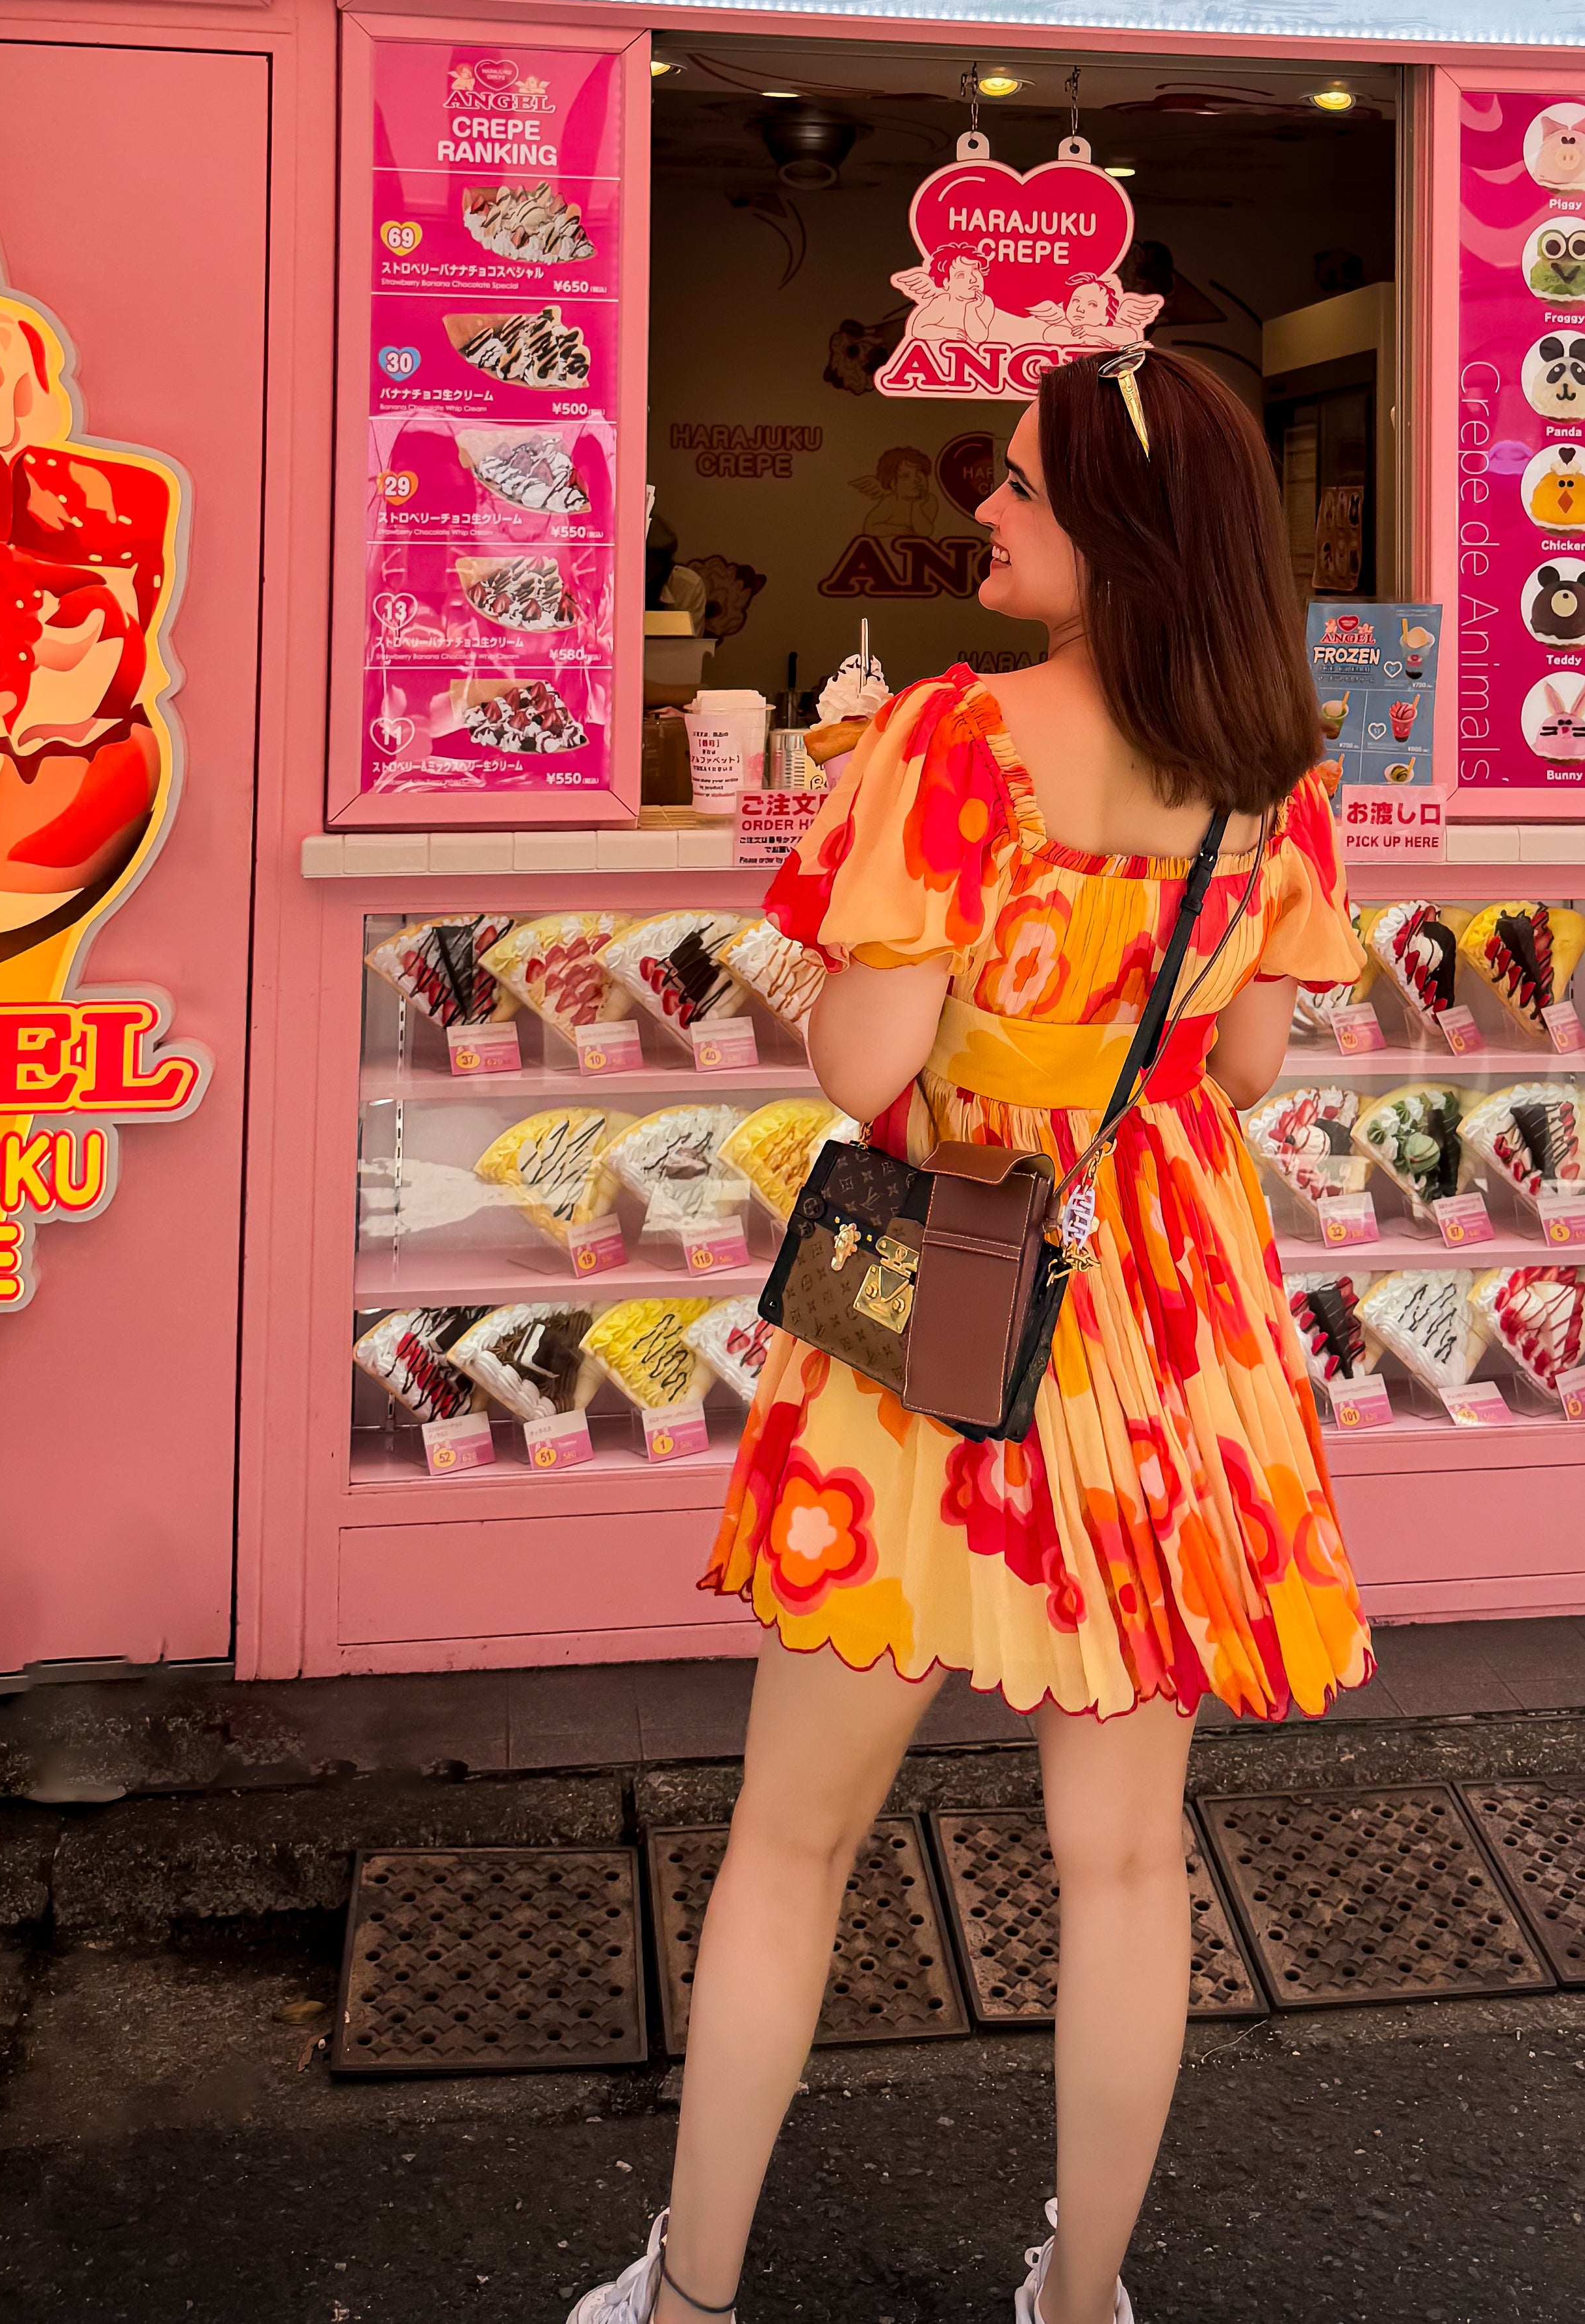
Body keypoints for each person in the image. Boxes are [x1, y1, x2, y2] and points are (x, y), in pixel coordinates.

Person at [567, 347, 1377, 2324]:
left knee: (791, 1837)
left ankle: (690, 2301)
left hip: (947, 1274)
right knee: (1122, 1866)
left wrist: (906, 1002)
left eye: (1015, 487)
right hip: (1167, 1305)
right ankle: (1084, 2299)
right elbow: (1250, 1058)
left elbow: (863, 1064)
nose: (986, 511)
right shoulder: (1280, 761)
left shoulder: (947, 736)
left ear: (1109, 521)